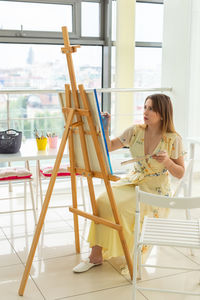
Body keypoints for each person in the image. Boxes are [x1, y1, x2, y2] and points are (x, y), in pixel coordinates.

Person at [73, 93, 185, 273]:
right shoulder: (135, 131)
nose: (145, 112)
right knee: (103, 200)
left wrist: (167, 162)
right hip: (133, 181)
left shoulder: (173, 139)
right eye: (145, 107)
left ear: (163, 114)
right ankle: (96, 254)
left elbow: (180, 173)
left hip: (155, 191)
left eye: (151, 109)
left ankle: (126, 250)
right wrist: (105, 127)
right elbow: (108, 147)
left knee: (122, 207)